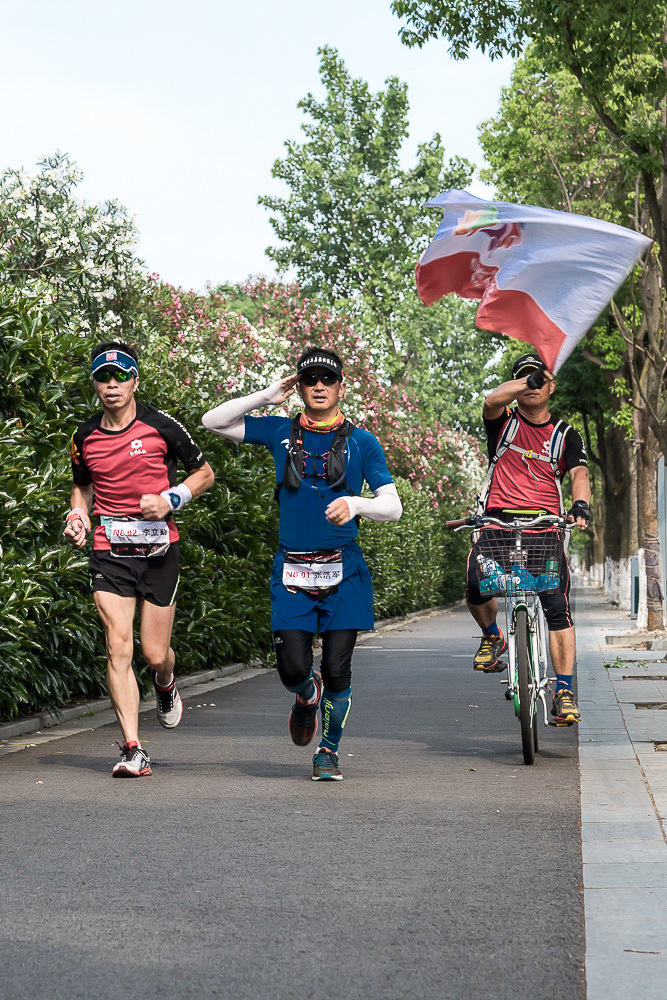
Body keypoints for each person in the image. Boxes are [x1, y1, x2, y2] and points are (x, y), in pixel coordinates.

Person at [202, 347, 402, 780]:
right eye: (310, 379)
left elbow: (393, 505)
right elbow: (212, 421)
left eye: (327, 379)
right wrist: (265, 396)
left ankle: (328, 751)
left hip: (344, 573)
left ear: (341, 387)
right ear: (300, 387)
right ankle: (307, 696)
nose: (319, 386)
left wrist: (356, 504)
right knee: (293, 668)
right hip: (292, 570)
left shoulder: (363, 442)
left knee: (337, 669)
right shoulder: (280, 431)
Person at [64, 342, 214, 776]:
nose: (111, 384)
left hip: (158, 552)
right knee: (117, 645)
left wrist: (171, 499)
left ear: (134, 381)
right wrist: (77, 516)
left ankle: (165, 682)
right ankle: (133, 748)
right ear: (94, 384)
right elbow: (82, 488)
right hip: (109, 551)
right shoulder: (84, 437)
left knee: (153, 653)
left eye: (120, 376)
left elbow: (204, 473)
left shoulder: (161, 425)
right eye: (103, 376)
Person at [467, 353, 590, 725]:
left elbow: (579, 473)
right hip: (498, 523)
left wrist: (580, 505)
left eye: (539, 379)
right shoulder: (502, 423)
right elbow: (491, 399)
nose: (531, 385)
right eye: (523, 379)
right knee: (475, 583)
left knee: (556, 606)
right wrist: (527, 381)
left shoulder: (565, 434)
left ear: (552, 386)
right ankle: (493, 636)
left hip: (545, 527)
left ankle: (563, 691)